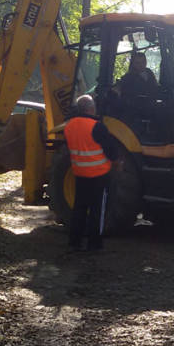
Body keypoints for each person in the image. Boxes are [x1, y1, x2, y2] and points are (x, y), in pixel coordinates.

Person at [64, 94, 119, 251]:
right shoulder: (97, 126)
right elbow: (111, 150)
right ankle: (94, 245)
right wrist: (116, 162)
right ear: (91, 108)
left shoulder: (69, 126)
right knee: (97, 210)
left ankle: (74, 243)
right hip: (98, 175)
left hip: (80, 173)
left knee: (79, 208)